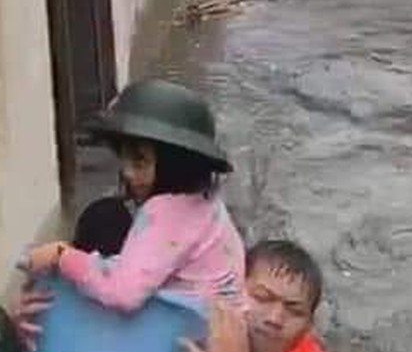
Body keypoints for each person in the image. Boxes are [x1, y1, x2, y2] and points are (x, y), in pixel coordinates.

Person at [21, 79, 245, 318]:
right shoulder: (208, 205)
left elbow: (122, 293)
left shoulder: (166, 211)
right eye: (124, 158)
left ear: (176, 165)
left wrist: (61, 257)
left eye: (140, 161)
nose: (127, 172)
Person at [184, 239, 328, 352]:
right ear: (231, 291)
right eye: (261, 297)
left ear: (308, 325)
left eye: (295, 311)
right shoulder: (199, 320)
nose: (275, 319)